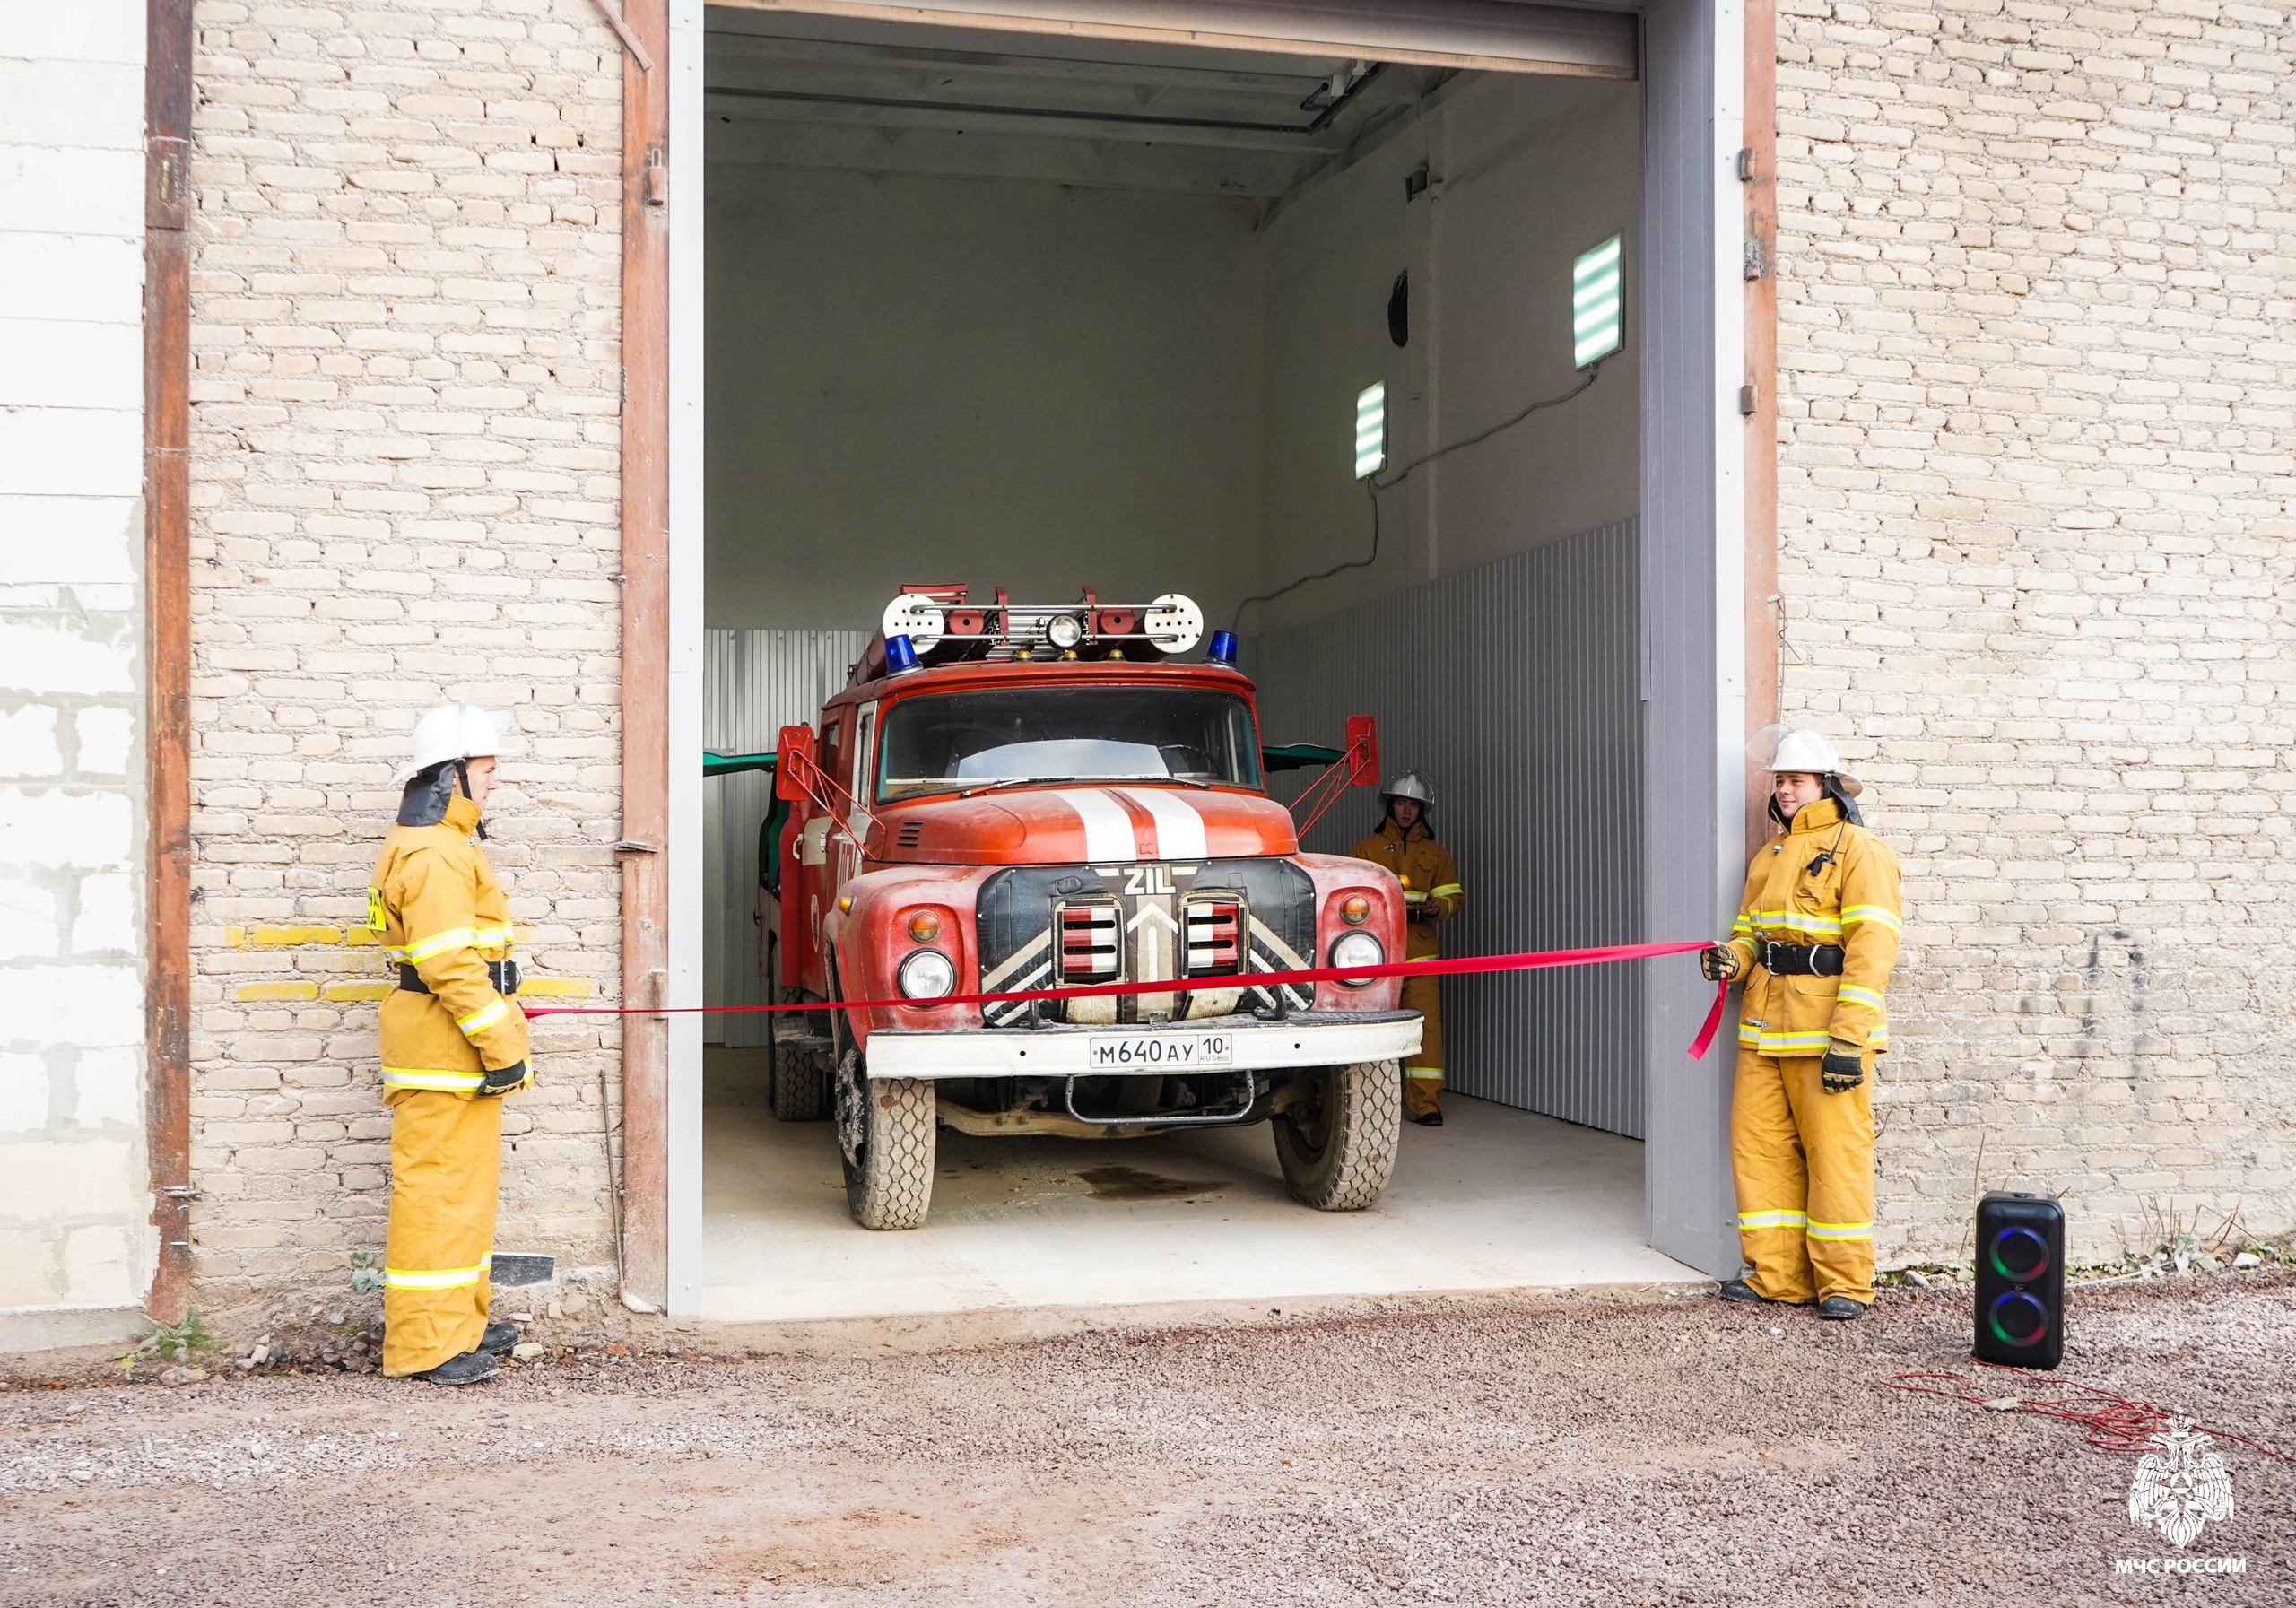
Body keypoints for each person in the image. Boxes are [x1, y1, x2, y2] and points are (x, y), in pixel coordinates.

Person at [1700, 729, 1902, 1320]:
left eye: (1796, 780)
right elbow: (1751, 933)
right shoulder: (1770, 856)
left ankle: (1844, 1282)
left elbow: (1873, 947)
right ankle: (1777, 1276)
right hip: (1764, 1028)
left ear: (1826, 784)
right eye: (1780, 780)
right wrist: (1732, 959)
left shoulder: (1860, 850)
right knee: (1759, 1151)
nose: (1785, 789)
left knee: (1836, 1154)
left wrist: (1849, 1036)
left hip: (1825, 1035)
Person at [368, 703, 532, 1384]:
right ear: (451, 777)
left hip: (447, 1049)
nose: (494, 784)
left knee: (462, 1195)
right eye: (487, 772)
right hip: (446, 1047)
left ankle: (459, 1324)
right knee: (436, 1198)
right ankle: (424, 1346)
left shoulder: (443, 843)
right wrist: (503, 1043)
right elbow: (449, 966)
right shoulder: (434, 853)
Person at [1348, 772, 1462, 1126]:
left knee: (1425, 1031)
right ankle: (1365, 1105)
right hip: (1378, 955)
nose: (1407, 811)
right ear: (1390, 806)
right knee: (1373, 1029)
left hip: (1421, 952)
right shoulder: (1366, 850)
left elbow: (1453, 895)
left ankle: (1426, 1105)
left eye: (1414, 805)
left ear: (1422, 810)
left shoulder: (1436, 854)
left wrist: (1439, 908)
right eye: (1401, 803)